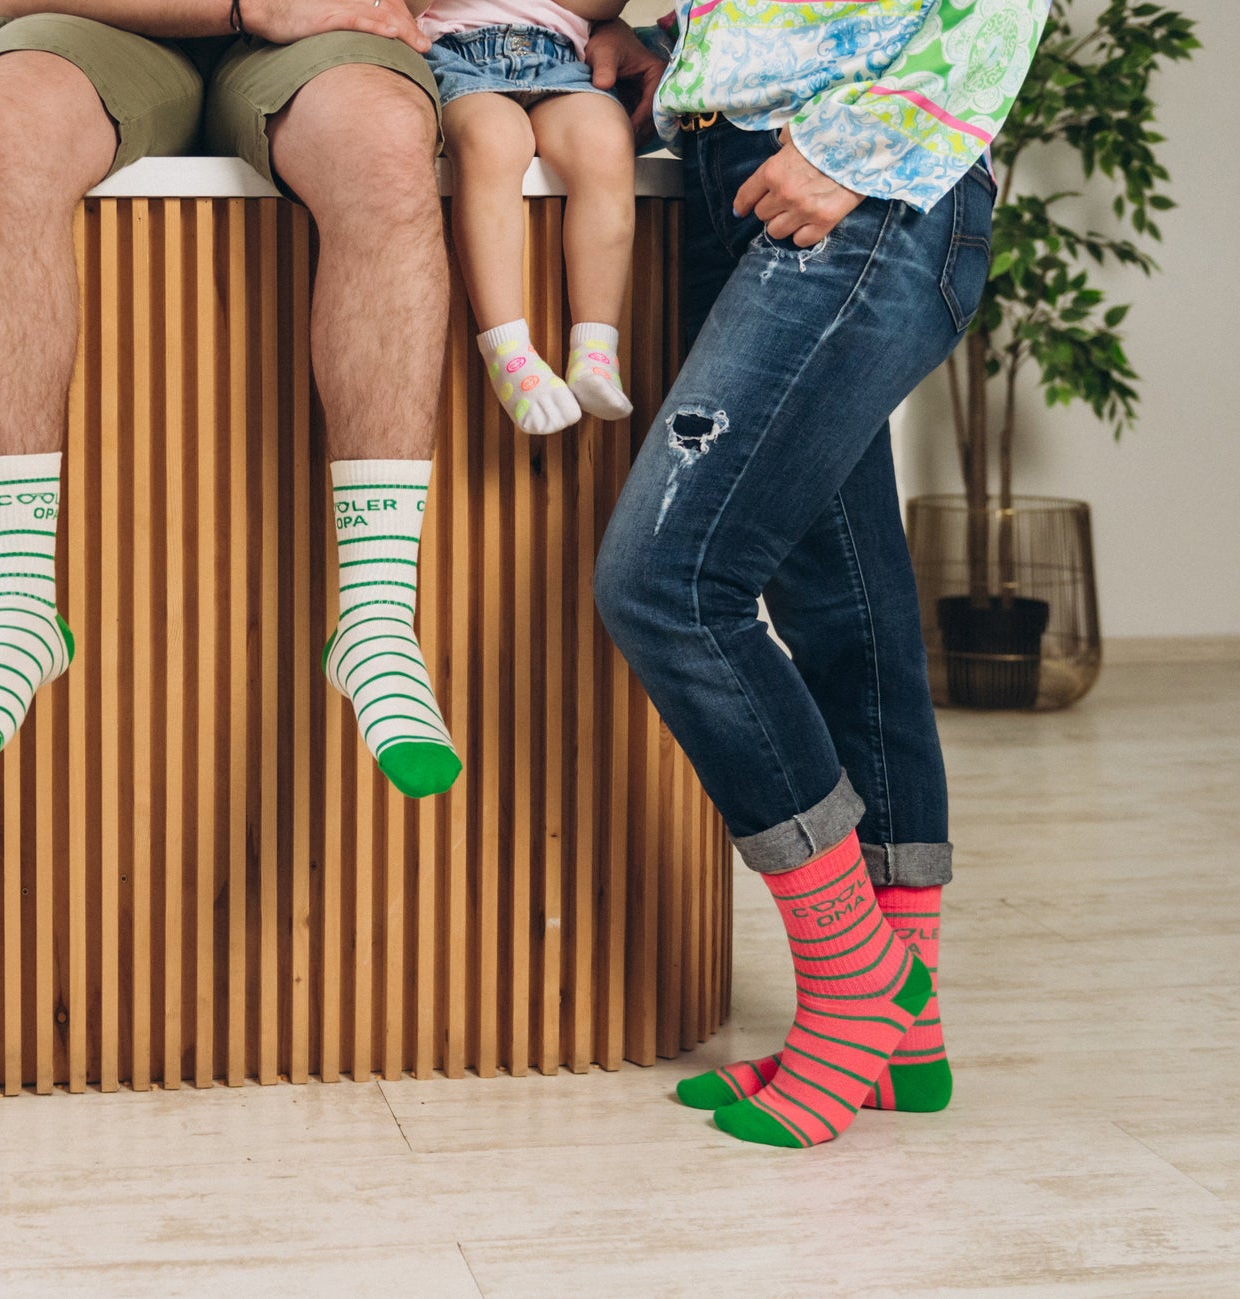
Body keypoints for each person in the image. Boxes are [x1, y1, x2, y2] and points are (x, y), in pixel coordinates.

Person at [591, 0, 1050, 1148]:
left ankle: (857, 979)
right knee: (843, 603)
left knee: (667, 584)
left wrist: (856, 149)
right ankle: (905, 1034)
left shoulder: (851, 157)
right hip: (749, 175)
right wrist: (674, 48)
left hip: (856, 180)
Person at [0, 0, 471, 800]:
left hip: (330, 36)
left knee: (384, 140)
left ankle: (378, 619)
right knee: (1, 124)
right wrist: (252, 5)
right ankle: (14, 606)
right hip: (112, 25)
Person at [415, 0, 639, 434]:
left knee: (605, 141)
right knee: (494, 139)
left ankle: (596, 350)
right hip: (455, 57)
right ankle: (509, 352)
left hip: (561, 60)